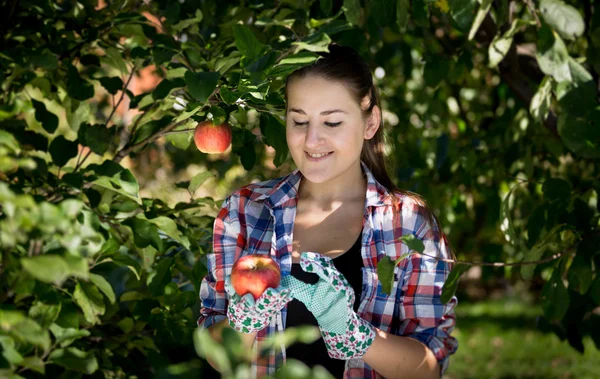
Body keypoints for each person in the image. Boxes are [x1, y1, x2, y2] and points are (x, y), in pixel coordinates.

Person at [198, 44, 458, 379]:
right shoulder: (246, 212)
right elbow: (217, 356)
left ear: (370, 122)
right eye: (299, 121)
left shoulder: (408, 225)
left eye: (332, 122)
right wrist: (244, 322)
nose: (311, 140)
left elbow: (429, 369)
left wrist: (356, 336)